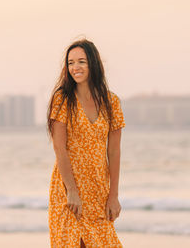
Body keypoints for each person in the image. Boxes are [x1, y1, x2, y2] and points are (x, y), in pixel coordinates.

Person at [47, 38, 125, 247]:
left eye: (81, 61)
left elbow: (115, 152)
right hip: (68, 190)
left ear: (93, 64)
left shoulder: (112, 103)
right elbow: (59, 147)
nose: (75, 67)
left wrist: (113, 195)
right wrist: (71, 190)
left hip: (98, 190)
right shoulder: (63, 99)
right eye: (71, 63)